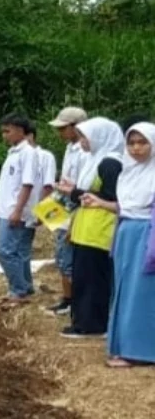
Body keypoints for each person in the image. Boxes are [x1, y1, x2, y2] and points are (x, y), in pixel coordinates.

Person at [57, 117, 125, 339]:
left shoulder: (110, 163)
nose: (83, 141)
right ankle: (84, 321)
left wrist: (75, 193)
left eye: (85, 137)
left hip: (100, 230)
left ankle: (92, 325)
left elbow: (112, 197)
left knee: (93, 280)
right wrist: (74, 192)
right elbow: (90, 193)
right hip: (87, 229)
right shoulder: (96, 160)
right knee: (85, 278)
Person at [104, 123, 155, 367]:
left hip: (147, 234)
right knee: (124, 289)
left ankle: (140, 350)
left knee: (142, 292)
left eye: (142, 142)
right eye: (131, 143)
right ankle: (124, 345)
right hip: (127, 232)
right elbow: (125, 206)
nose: (136, 148)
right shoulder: (129, 171)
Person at [0, 114, 39, 307]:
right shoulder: (13, 153)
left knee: (4, 250)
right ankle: (25, 287)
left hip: (15, 211)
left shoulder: (28, 153)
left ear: (20, 130)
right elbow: (8, 186)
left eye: (8, 131)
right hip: (6, 209)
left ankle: (18, 290)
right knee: (19, 252)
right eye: (3, 131)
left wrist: (17, 210)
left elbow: (27, 185)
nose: (5, 135)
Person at [47, 107, 88, 317]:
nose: (60, 132)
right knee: (60, 251)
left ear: (76, 127)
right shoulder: (70, 148)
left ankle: (72, 300)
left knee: (67, 254)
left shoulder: (84, 151)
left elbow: (80, 187)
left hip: (74, 204)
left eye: (63, 128)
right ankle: (67, 298)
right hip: (63, 201)